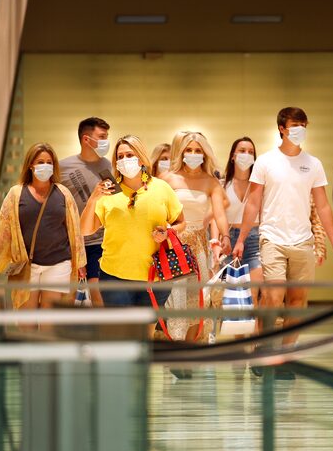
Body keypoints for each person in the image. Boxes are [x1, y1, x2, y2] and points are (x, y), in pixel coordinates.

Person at [233, 107, 333, 358]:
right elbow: (253, 203)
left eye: (303, 125)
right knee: (273, 298)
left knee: (297, 302)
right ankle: (264, 349)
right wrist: (241, 239)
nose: (300, 130)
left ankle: (285, 355)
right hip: (272, 238)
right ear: (282, 129)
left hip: (302, 242)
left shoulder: (313, 164)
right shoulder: (265, 161)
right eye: (295, 125)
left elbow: (324, 205)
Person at [80, 134, 185, 312]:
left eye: (129, 155)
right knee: (122, 333)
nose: (125, 160)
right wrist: (92, 199)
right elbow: (85, 230)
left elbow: (181, 223)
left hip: (156, 274)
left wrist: (167, 233)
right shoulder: (109, 191)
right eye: (120, 157)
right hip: (114, 275)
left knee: (146, 333)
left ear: (141, 158)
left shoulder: (161, 188)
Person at [0, 143, 87, 310]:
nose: (45, 166)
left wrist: (81, 262)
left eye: (49, 162)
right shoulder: (16, 193)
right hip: (26, 266)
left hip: (58, 263)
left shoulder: (63, 193)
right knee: (26, 323)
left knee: (50, 323)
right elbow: (3, 229)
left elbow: (75, 231)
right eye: (40, 162)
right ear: (31, 165)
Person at [162, 131, 232, 341]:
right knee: (177, 297)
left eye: (198, 150)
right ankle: (176, 346)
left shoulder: (210, 182)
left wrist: (225, 237)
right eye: (189, 150)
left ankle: (190, 348)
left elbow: (219, 212)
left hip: (198, 244)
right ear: (182, 153)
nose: (193, 154)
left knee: (198, 297)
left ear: (205, 154)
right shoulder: (167, 178)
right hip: (173, 242)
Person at [60, 117, 112, 307]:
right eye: (102, 136)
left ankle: (104, 335)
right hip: (72, 242)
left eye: (107, 136)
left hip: (101, 240)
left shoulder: (110, 166)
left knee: (99, 293)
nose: (106, 141)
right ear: (86, 139)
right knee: (68, 296)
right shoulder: (63, 167)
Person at [223, 137, 264, 302]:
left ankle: (254, 329)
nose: (246, 154)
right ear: (233, 156)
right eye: (242, 151)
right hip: (229, 239)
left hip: (255, 238)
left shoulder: (260, 184)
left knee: (253, 295)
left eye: (251, 152)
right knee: (228, 295)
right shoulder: (222, 183)